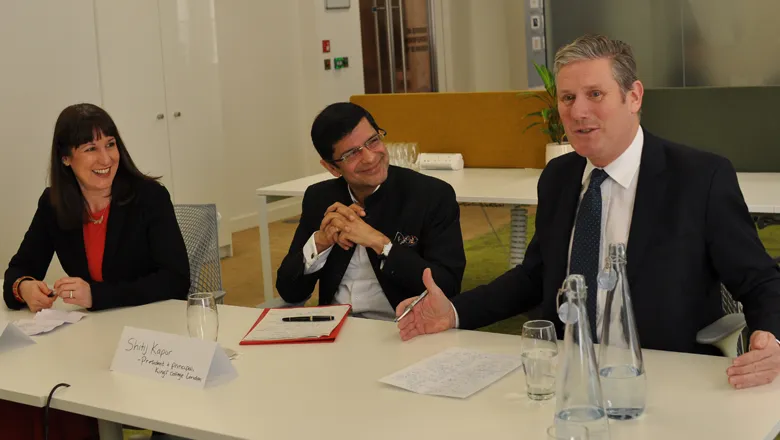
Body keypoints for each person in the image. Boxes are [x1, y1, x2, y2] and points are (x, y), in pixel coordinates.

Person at [396, 35, 780, 389]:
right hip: (566, 370)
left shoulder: (699, 178)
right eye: (567, 98)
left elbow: (761, 281)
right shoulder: (560, 176)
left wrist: (772, 337)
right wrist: (454, 312)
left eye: (595, 94)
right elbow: (537, 275)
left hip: (663, 374)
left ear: (634, 97)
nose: (578, 111)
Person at [276, 102, 465, 320]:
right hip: (336, 329)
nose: (369, 157)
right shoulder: (320, 198)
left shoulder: (431, 195)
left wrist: (380, 244)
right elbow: (289, 292)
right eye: (351, 154)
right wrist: (320, 243)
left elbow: (448, 287)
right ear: (332, 168)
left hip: (405, 327)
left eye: (373, 141)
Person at [3, 103, 190, 312]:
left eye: (110, 144)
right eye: (91, 149)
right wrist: (24, 287)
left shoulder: (150, 196)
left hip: (151, 325)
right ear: (65, 158)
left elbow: (176, 280)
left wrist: (97, 295)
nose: (106, 158)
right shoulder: (53, 204)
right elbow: (19, 268)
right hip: (96, 328)